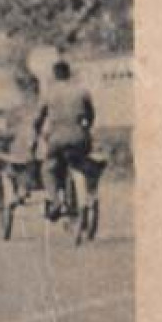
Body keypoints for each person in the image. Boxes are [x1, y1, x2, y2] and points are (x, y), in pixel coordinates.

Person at [33, 58, 100, 219]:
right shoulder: (82, 91)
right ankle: (88, 191)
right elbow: (91, 115)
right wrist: (85, 127)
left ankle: (56, 202)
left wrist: (38, 132)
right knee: (82, 161)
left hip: (57, 138)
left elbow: (38, 118)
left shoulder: (49, 93)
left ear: (55, 75)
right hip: (80, 137)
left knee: (48, 168)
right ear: (69, 73)